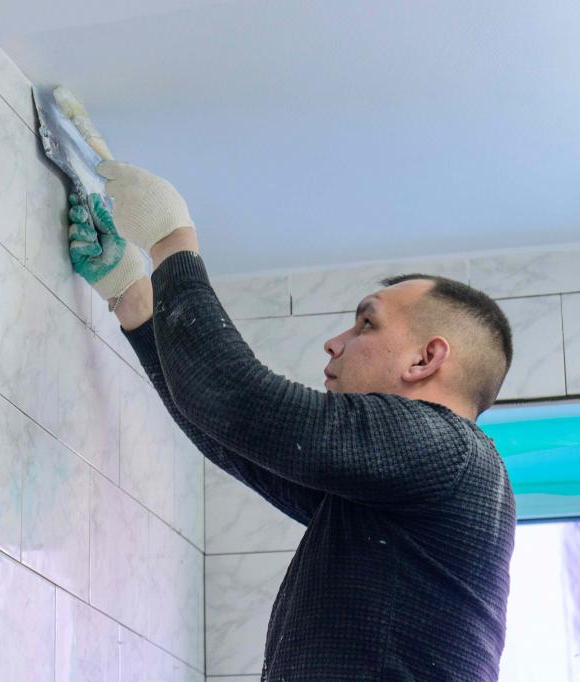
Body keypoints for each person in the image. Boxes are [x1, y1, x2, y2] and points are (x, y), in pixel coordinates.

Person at [68, 156, 517, 680]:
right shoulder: (402, 489)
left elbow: (237, 399)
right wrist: (134, 300)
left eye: (365, 324)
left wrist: (172, 238)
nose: (334, 342)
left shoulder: (451, 451)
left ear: (425, 359)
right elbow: (231, 433)